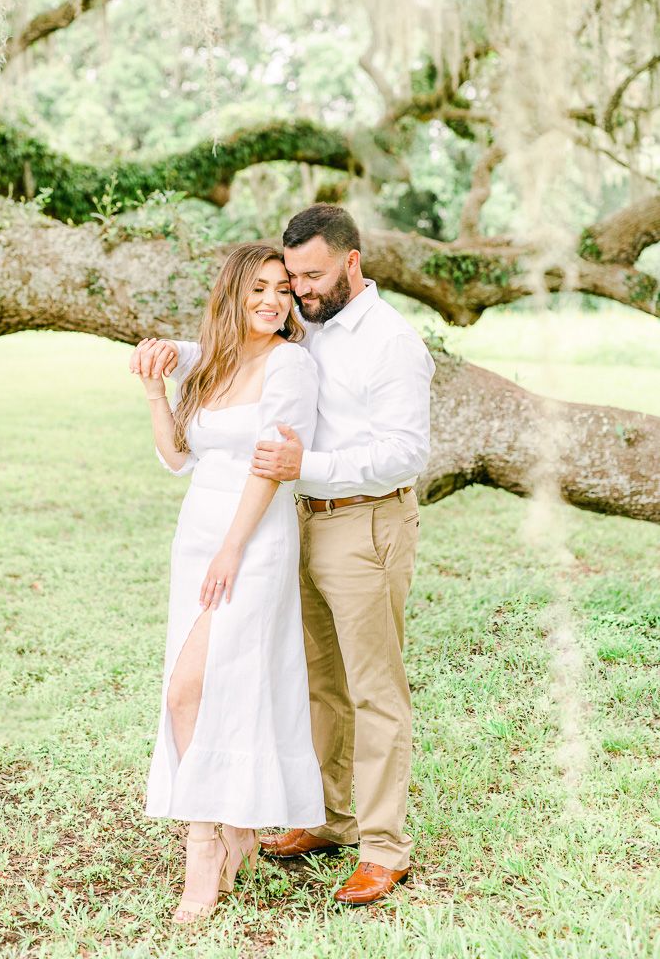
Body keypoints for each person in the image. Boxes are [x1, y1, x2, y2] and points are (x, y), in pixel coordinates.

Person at [144, 204, 435, 906]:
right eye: (290, 276)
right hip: (296, 518)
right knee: (317, 682)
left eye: (310, 276)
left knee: (374, 688)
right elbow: (237, 345)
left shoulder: (392, 343)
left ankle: (383, 847)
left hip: (363, 521)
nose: (298, 289)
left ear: (351, 263)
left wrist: (314, 463)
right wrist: (168, 358)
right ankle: (332, 819)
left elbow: (407, 452)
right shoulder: (312, 327)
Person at [129, 242, 325, 925]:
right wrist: (156, 390)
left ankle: (204, 842)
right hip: (198, 538)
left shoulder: (291, 366)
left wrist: (234, 550)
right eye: (258, 291)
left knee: (193, 687)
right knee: (202, 688)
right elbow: (179, 456)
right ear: (234, 298)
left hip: (254, 539)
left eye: (282, 290)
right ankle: (232, 826)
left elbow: (271, 467)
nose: (273, 301)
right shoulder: (215, 363)